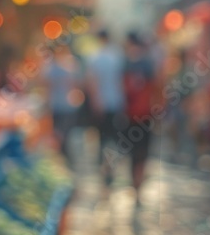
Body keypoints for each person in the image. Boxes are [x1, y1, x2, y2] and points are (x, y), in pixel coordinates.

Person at [86, 29, 125, 187]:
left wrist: (96, 101)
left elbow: (92, 82)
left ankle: (104, 165)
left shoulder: (94, 57)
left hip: (101, 103)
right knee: (113, 136)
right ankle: (110, 164)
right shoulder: (118, 56)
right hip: (116, 102)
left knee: (102, 137)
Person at [123, 32, 157, 195]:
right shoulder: (148, 64)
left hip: (131, 114)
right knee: (143, 149)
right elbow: (156, 88)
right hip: (145, 113)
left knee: (133, 149)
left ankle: (134, 179)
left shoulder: (126, 63)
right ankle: (138, 179)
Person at [43, 42, 85, 162]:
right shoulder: (69, 66)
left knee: (59, 134)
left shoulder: (51, 68)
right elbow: (76, 85)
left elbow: (46, 87)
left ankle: (62, 159)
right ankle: (66, 159)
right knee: (65, 134)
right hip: (66, 105)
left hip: (56, 105)